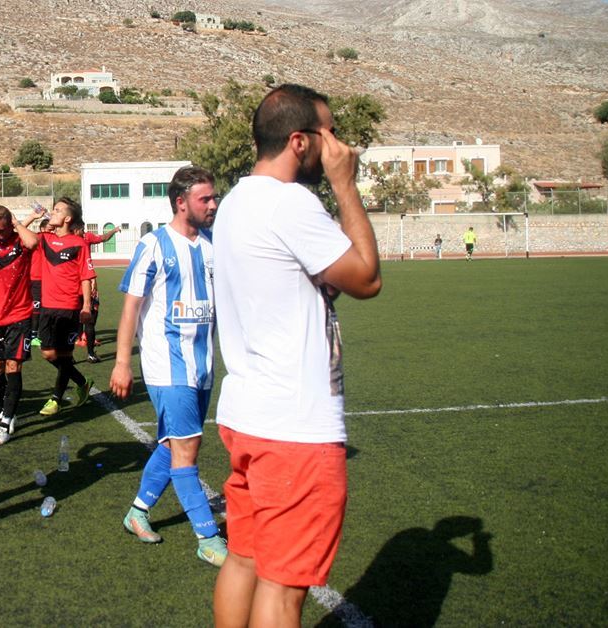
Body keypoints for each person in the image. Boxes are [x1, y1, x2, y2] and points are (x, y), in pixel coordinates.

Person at [211, 84, 381, 626]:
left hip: (248, 414)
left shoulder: (235, 202)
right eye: (331, 132)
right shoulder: (291, 203)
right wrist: (345, 185)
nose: (339, 145)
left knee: (244, 558)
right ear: (301, 141)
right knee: (283, 587)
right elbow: (367, 278)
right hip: (295, 426)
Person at [110, 165, 227, 567]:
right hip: (167, 365)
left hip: (202, 365)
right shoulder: (154, 245)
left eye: (214, 197)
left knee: (173, 443)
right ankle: (208, 537)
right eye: (204, 198)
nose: (213, 204)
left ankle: (138, 512)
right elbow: (131, 307)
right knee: (187, 450)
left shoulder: (211, 244)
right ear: (181, 202)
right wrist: (122, 362)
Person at [0, 204, 43, 447]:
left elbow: (34, 242)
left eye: (0, 230)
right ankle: (7, 409)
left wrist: (19, 223)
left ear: (10, 226)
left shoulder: (21, 242)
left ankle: (5, 423)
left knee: (12, 367)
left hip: (19, 316)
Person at [37, 197, 96, 416]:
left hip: (69, 306)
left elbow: (86, 276)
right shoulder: (45, 239)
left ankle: (56, 399)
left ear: (68, 218)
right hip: (47, 306)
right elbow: (23, 238)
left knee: (63, 354)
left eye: (57, 210)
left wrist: (86, 306)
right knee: (48, 353)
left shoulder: (79, 244)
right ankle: (82, 382)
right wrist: (31, 217)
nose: (52, 212)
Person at [75, 224, 120, 362]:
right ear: (76, 229)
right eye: (82, 229)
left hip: (71, 285)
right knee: (90, 318)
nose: (84, 231)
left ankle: (73, 348)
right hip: (85, 283)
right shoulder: (84, 240)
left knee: (73, 317)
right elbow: (103, 238)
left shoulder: (64, 240)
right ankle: (90, 353)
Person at [29, 217, 54, 347]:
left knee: (46, 307)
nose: (51, 232)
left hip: (47, 279)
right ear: (42, 229)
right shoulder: (38, 238)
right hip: (36, 278)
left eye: (53, 230)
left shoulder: (50, 240)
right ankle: (33, 336)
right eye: (49, 229)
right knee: (37, 307)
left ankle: (42, 333)